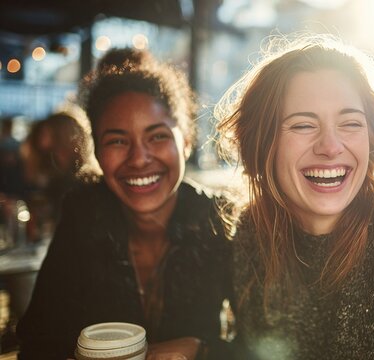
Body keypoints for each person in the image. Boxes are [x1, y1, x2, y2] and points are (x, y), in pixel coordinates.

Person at [215, 35, 374, 359]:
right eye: (303, 125)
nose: (330, 147)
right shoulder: (253, 229)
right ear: (262, 143)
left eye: (350, 123)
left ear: (372, 138)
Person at [17, 48, 234, 359]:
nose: (138, 159)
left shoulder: (219, 219)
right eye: (117, 141)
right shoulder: (83, 215)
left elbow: (262, 344)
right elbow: (38, 342)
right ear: (98, 153)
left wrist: (203, 350)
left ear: (186, 141)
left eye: (157, 136)